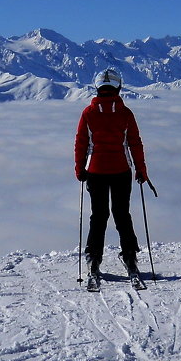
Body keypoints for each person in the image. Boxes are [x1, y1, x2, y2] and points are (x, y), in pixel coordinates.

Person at [74, 68, 149, 291]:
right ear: (118, 87)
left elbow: (80, 142)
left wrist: (80, 168)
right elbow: (135, 143)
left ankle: (93, 259)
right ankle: (129, 258)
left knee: (98, 216)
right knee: (122, 215)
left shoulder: (88, 113)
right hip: (121, 171)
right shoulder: (126, 114)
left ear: (97, 87)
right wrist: (141, 169)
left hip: (95, 171)